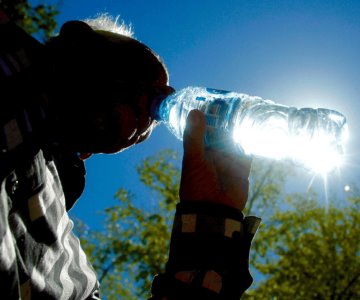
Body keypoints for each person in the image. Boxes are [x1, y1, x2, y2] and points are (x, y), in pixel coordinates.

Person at [0, 7, 260, 300]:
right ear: (76, 40)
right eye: (144, 70)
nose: (162, 98)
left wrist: (210, 219)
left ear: (85, 153)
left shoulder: (68, 268)